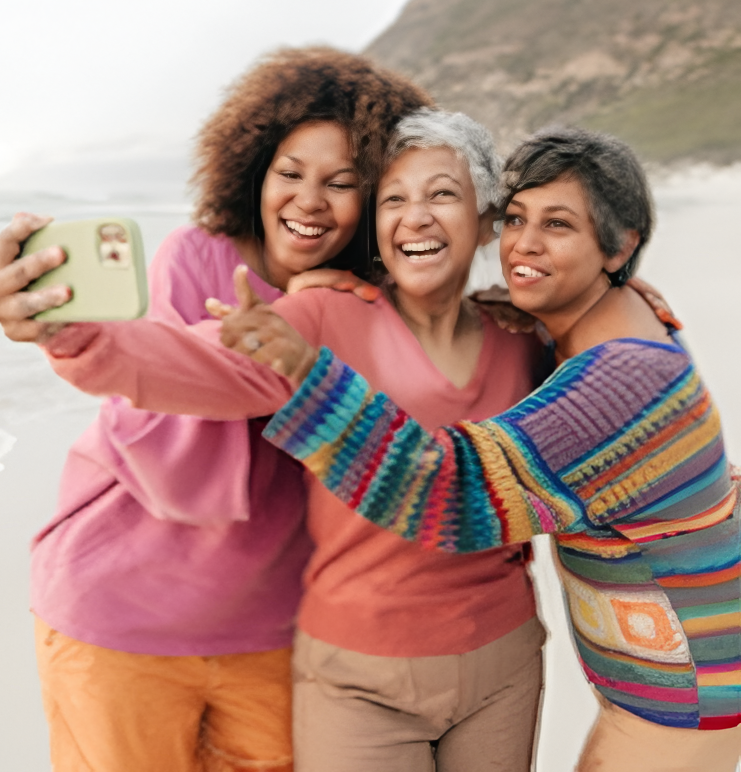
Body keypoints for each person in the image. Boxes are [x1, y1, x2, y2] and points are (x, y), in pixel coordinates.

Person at [26, 109, 548, 770]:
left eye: (441, 194)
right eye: (394, 198)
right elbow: (182, 362)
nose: (415, 215)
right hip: (204, 631)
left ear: (484, 218)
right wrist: (75, 333)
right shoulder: (311, 312)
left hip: (464, 648)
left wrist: (604, 292)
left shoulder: (520, 337)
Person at [224, 127, 741, 772]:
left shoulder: (617, 383)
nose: (524, 243)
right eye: (517, 218)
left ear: (621, 244)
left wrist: (309, 374)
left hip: (689, 704)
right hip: (690, 680)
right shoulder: (622, 319)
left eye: (558, 225)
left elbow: (450, 491)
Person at [0, 46, 430, 772]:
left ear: (380, 196)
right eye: (289, 174)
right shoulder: (196, 254)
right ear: (254, 169)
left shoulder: (374, 303)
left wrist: (594, 302)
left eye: (342, 182)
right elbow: (189, 362)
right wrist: (76, 335)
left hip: (277, 628)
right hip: (116, 608)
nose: (309, 200)